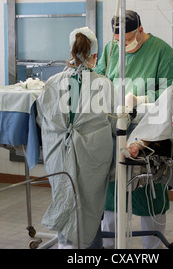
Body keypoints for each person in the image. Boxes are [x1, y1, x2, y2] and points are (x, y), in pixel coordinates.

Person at [95, 10, 173, 249]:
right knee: (113, 194)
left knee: (149, 193)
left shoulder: (162, 51)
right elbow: (100, 80)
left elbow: (171, 94)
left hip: (148, 134)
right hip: (115, 132)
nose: (121, 46)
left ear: (140, 31)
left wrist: (141, 99)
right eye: (117, 42)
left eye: (127, 40)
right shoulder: (110, 50)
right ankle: (110, 248)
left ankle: (152, 250)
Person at [36, 27, 119, 249]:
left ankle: (67, 246)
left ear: (71, 51)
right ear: (95, 56)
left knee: (65, 200)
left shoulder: (53, 83)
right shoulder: (103, 85)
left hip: (58, 155)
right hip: (91, 159)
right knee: (89, 207)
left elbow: (41, 118)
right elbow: (116, 124)